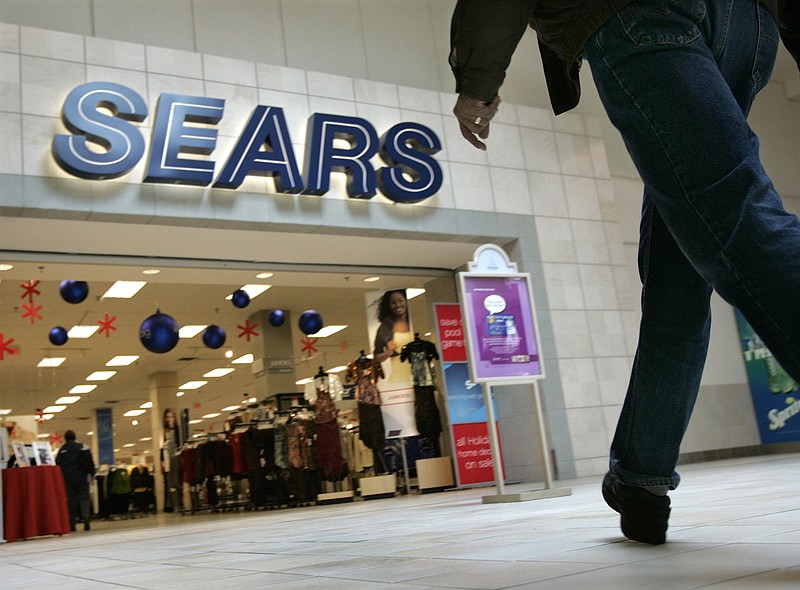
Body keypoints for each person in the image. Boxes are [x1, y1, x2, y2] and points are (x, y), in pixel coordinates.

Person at [450, 0, 800, 545]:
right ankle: (640, 478)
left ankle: (641, 475)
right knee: (680, 274)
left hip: (641, 13)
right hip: (747, 25)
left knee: (739, 217)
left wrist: (477, 77)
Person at [55, 430, 95, 531]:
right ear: (74, 436)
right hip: (83, 478)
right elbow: (90, 462)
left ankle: (72, 523)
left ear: (65, 438)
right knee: (84, 499)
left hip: (68, 479)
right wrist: (92, 474)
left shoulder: (63, 450)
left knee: (71, 501)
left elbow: (57, 464)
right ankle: (86, 519)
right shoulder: (83, 447)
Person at [372, 289, 413, 382]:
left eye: (400, 300)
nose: (398, 305)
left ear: (406, 301)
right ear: (389, 306)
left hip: (417, 373)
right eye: (393, 303)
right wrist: (388, 352)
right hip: (399, 375)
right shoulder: (385, 327)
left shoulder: (413, 322)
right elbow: (377, 357)